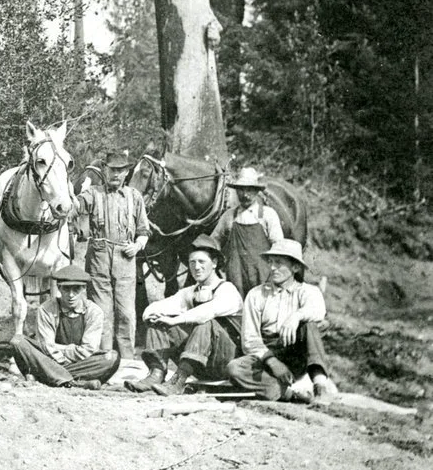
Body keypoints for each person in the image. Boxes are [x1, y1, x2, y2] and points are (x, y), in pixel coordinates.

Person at [127, 235, 242, 395]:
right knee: (158, 321)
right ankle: (156, 374)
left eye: (202, 262)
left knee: (206, 323)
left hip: (227, 362)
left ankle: (179, 380)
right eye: (192, 262)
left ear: (214, 263)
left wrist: (175, 320)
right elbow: (157, 307)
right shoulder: (191, 292)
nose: (196, 267)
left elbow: (207, 312)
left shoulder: (227, 289)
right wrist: (152, 316)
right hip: (200, 363)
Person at [226, 239, 337, 403]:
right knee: (234, 368)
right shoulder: (256, 295)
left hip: (296, 353)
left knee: (310, 326)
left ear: (295, 267)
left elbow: (318, 312)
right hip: (266, 353)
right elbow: (250, 339)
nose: (272, 268)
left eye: (278, 263)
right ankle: (289, 394)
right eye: (271, 262)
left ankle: (320, 387)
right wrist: (272, 362)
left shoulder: (308, 291)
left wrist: (296, 316)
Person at [73, 151, 150, 358]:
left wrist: (137, 246)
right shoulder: (93, 193)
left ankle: (126, 359)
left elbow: (144, 231)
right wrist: (71, 195)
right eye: (112, 169)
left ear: (126, 173)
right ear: (105, 170)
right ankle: (104, 358)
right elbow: (75, 206)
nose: (116, 174)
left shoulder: (135, 197)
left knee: (126, 312)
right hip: (98, 258)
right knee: (101, 311)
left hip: (126, 258)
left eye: (120, 170)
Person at [10, 264, 120, 389]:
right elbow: (47, 347)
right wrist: (68, 353)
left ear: (84, 289)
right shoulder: (46, 309)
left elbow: (88, 350)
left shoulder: (94, 312)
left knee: (111, 358)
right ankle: (75, 383)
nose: (71, 295)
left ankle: (53, 378)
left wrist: (60, 353)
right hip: (50, 360)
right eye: (66, 289)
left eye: (76, 289)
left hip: (75, 363)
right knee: (18, 341)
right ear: (59, 288)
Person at [210, 166, 285, 296]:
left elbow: (279, 246)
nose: (245, 195)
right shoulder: (229, 216)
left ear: (256, 191)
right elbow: (214, 241)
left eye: (249, 190)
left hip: (263, 275)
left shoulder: (267, 214)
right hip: (236, 276)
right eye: (241, 190)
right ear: (236, 191)